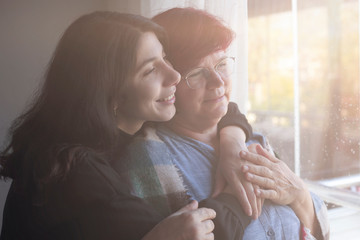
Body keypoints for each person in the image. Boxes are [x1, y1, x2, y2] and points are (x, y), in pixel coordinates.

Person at [0, 11, 255, 240]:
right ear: (110, 94)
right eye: (150, 70)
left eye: (165, 58)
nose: (175, 75)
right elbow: (198, 232)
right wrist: (246, 186)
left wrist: (232, 144)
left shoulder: (75, 138)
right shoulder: (79, 173)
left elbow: (224, 107)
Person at [117, 7, 330, 240]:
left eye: (221, 64)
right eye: (197, 72)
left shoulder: (254, 139)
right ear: (169, 81)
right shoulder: (148, 160)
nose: (218, 82)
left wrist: (300, 196)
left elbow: (321, 232)